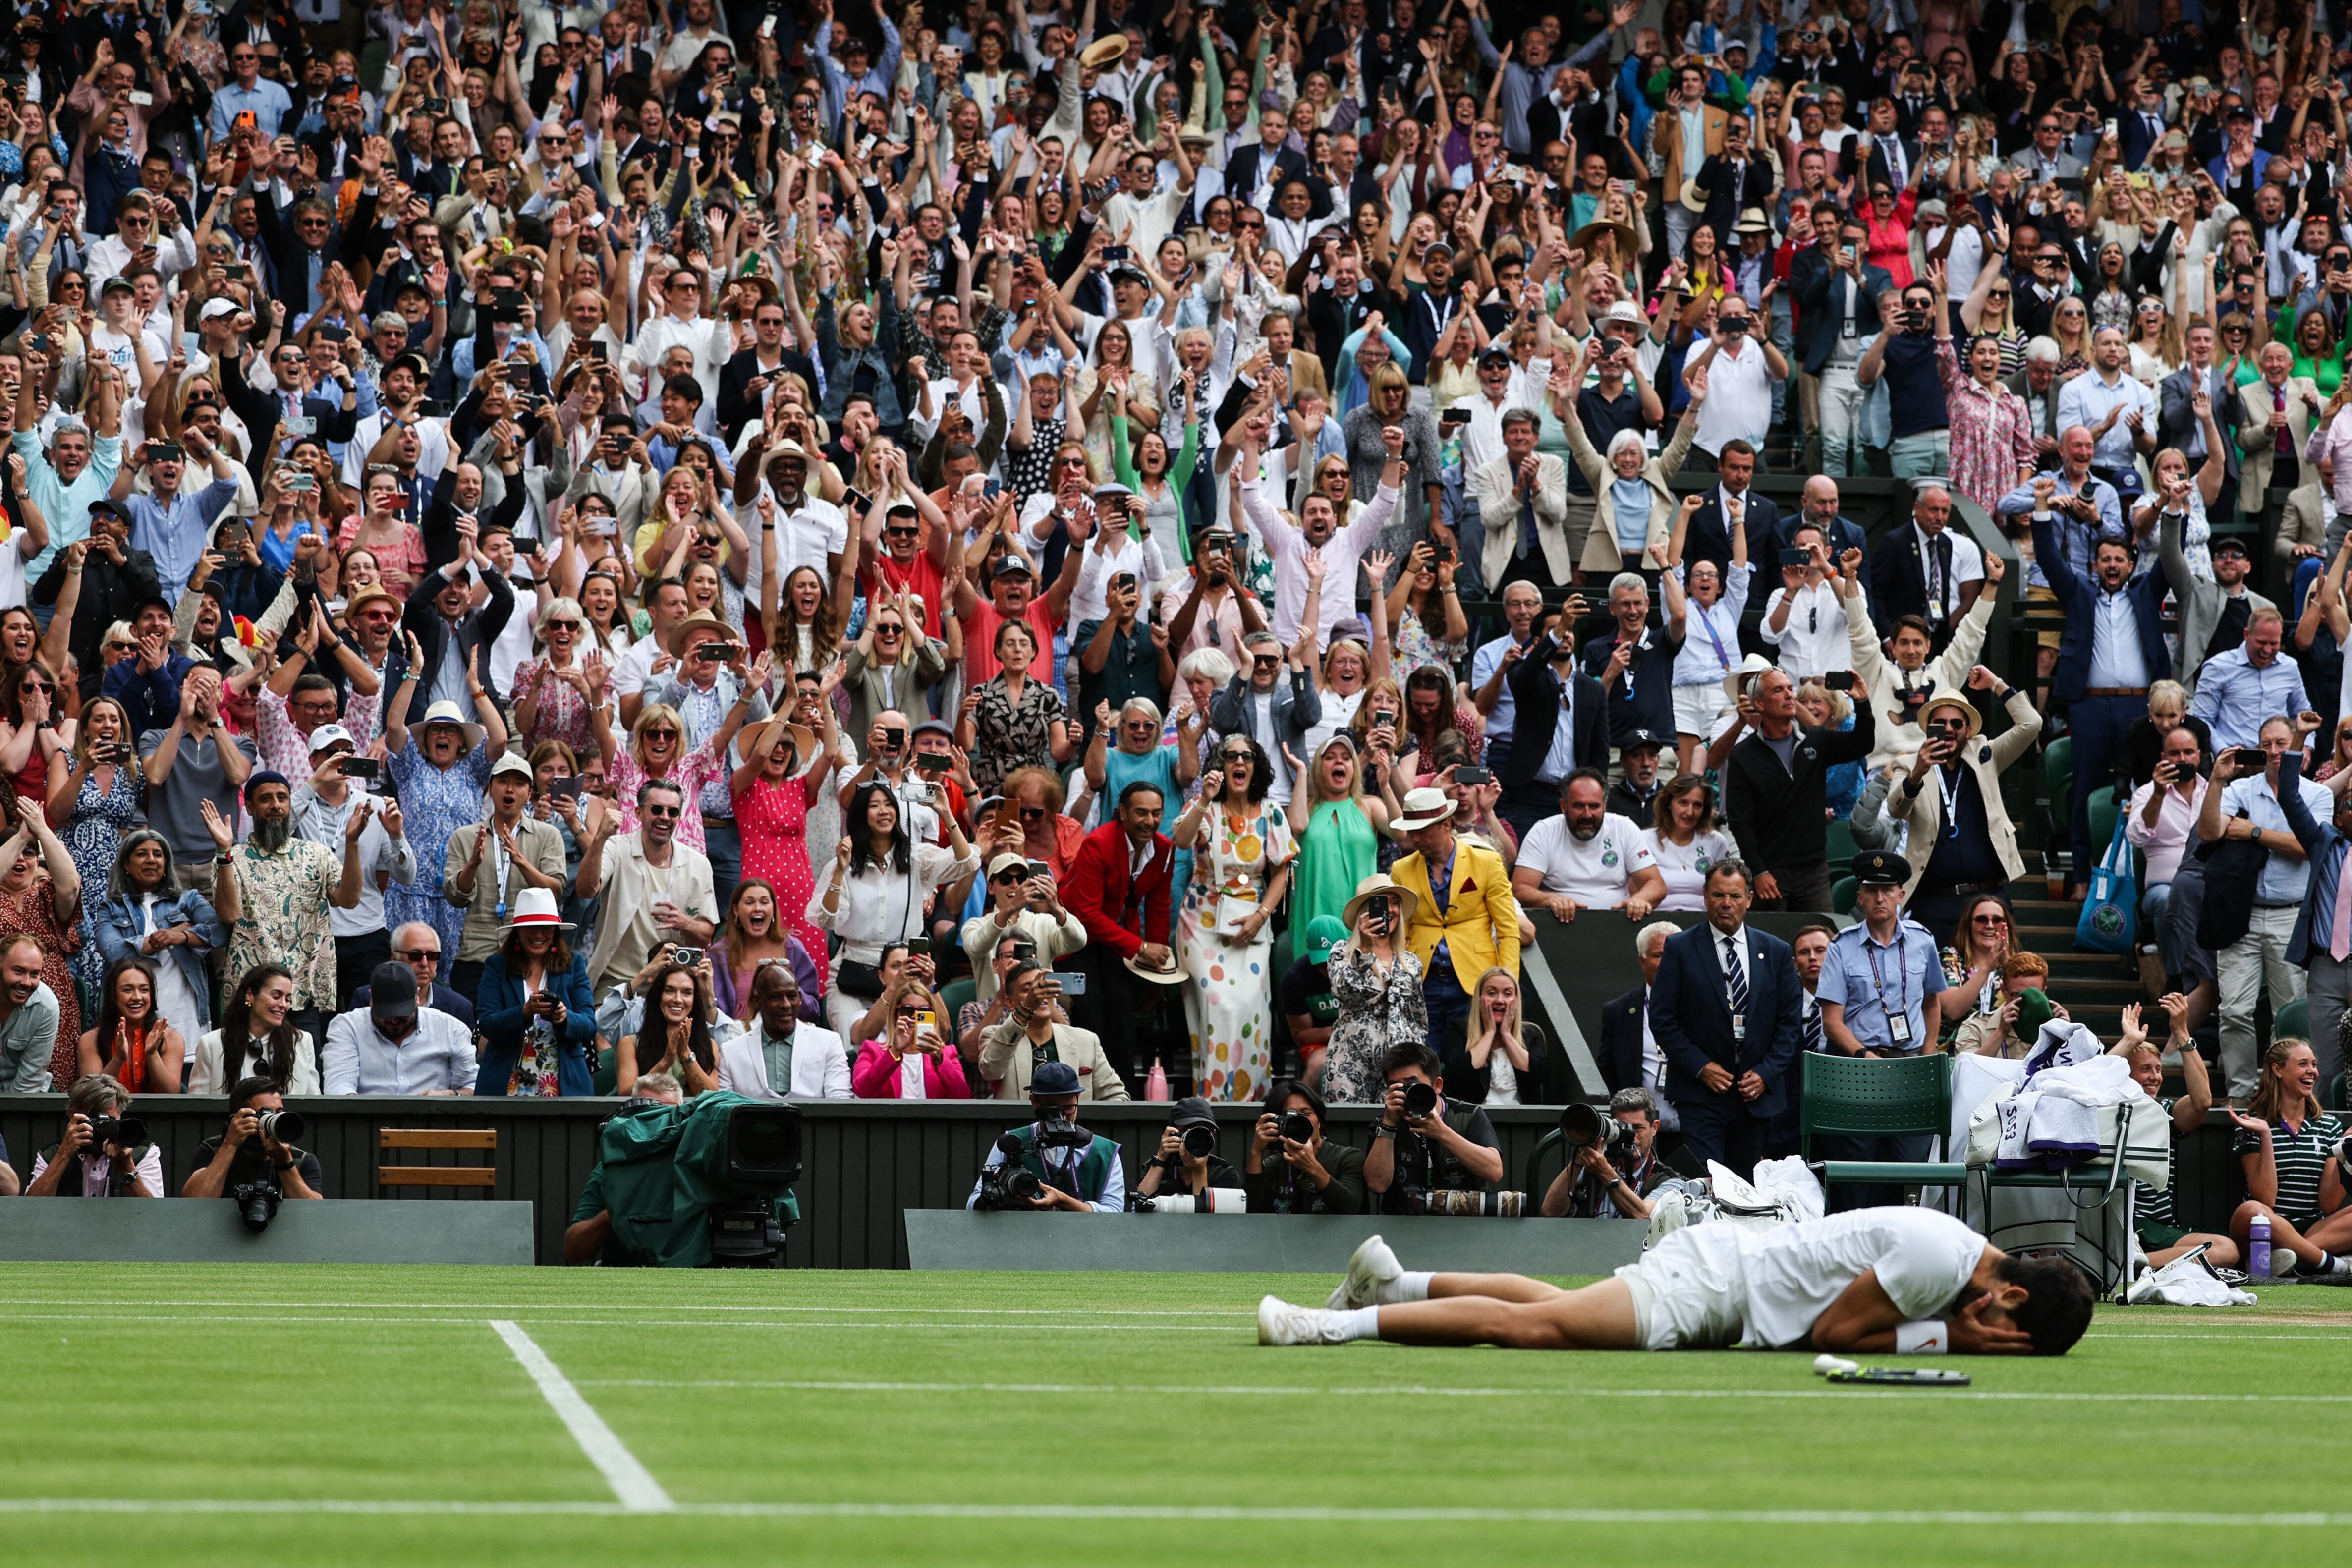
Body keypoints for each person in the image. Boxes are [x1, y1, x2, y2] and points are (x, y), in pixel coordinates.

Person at [1255, 1208, 2096, 1355]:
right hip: (1716, 1286)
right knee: (1533, 1329)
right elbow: (1834, 1337)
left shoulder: (1958, 1255)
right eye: (2013, 1334)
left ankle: (1394, 1282)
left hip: (1722, 1270)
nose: (2001, 1340)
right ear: (2010, 1295)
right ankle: (1322, 1326)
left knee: (1555, 1307)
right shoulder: (1934, 1263)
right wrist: (1956, 1334)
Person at [2031, 503, 2171, 895]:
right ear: (2095, 566)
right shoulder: (2078, 592)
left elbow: (2169, 559)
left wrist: (2174, 507)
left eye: (2119, 559)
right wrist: (2042, 509)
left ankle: (2144, 879)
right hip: (2090, 705)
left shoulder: (2147, 591)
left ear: (2131, 564)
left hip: (2140, 706)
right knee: (2084, 790)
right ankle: (2080, 877)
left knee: (2148, 789)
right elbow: (2047, 557)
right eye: (2105, 559)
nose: (2112, 565)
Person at [2201, 721, 2332, 1100]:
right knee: (2235, 1011)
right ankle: (2240, 1094)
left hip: (2291, 915)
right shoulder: (2240, 788)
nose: (2274, 751)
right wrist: (2216, 782)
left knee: (2288, 1014)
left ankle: (2281, 1097)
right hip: (2239, 914)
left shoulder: (2316, 794)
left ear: (2299, 751)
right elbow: (2210, 832)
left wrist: (2254, 832)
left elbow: (2310, 847)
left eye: (2281, 743)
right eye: (2266, 744)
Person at [1650, 861, 1805, 1178]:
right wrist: (1701, 1067)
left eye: (1735, 896)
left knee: (1746, 1187)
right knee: (1708, 1184)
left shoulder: (1775, 951)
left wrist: (1766, 1073)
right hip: (1701, 1094)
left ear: (1749, 899)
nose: (1726, 904)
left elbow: (1790, 1024)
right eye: (1718, 895)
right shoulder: (1680, 948)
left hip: (1756, 1095)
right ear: (1705, 897)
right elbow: (1663, 1019)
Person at [1172, 736, 1293, 1102]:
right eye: (1231, 757)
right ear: (1221, 765)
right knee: (1216, 1006)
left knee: (1249, 1009)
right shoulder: (1204, 806)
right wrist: (1206, 798)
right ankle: (1209, 1104)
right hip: (1202, 923)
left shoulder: (1271, 813)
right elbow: (1180, 840)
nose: (1239, 762)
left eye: (1248, 756)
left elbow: (1280, 872)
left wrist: (1261, 916)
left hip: (1252, 922)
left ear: (1256, 766)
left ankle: (1250, 1103)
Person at [809, 778, 978, 1040]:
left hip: (904, 970)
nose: (884, 811)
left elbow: (966, 863)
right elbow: (826, 918)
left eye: (889, 804)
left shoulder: (916, 858)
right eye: (875, 805)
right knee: (855, 1048)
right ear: (862, 815)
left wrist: (945, 812)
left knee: (912, 1044)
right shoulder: (844, 863)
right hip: (853, 974)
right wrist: (840, 872)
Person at [1885, 677, 2041, 938]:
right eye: (1940, 723)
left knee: (1995, 973)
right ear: (1928, 729)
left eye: (1956, 723)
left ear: (1968, 730)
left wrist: (1996, 684)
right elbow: (1896, 809)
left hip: (1987, 897)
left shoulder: (1986, 756)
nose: (1948, 729)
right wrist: (1918, 774)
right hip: (1934, 901)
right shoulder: (1910, 764)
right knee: (1936, 978)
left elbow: (2031, 724)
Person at [1722, 667, 1877, 911]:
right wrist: (1759, 871)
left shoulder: (1816, 739)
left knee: (1822, 943)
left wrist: (1863, 702)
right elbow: (1740, 821)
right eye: (1778, 690)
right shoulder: (1743, 756)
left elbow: (1863, 743)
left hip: (1814, 872)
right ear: (1759, 704)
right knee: (1772, 947)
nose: (1789, 696)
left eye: (1789, 689)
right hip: (1770, 874)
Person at [289, 726, 417, 1010]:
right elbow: (273, 836)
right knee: (315, 1023)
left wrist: (398, 836)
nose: (340, 759)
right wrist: (312, 785)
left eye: (347, 752)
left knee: (368, 1018)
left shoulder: (374, 805)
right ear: (313, 759)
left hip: (366, 933)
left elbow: (407, 877)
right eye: (331, 753)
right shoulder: (298, 803)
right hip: (313, 933)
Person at [1390, 786, 1520, 1059]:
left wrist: (1508, 987)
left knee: (1471, 1061)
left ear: (1446, 824)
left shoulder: (1486, 862)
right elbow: (1401, 932)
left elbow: (1508, 930)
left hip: (1474, 982)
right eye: (1412, 832)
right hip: (1424, 981)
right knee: (1424, 1059)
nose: (1416, 839)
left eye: (1423, 831)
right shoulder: (1401, 869)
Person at [2117, 997, 2238, 1270]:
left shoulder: (2164, 1113)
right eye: (2145, 1070)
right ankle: (2127, 1260)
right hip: (2116, 1223)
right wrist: (2128, 1043)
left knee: (2226, 1249)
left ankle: (2136, 1264)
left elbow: (2202, 1102)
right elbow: (2092, 1078)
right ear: (2126, 1075)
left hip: (2158, 1228)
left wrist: (2182, 1033)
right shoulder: (2107, 1110)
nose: (2155, 1077)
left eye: (2158, 1070)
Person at [442, 752, 571, 1000]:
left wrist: (522, 863)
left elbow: (556, 891)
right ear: (490, 788)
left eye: (519, 784)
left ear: (530, 793)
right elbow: (454, 897)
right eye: (503, 782)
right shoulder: (466, 836)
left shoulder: (548, 835)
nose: (509, 790)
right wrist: (472, 866)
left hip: (527, 953)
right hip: (477, 951)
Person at [578, 779, 720, 999]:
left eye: (673, 812)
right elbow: (586, 890)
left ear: (679, 818)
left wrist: (685, 923)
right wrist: (600, 838)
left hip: (673, 981)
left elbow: (705, 937)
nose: (665, 817)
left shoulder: (698, 864)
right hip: (618, 979)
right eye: (656, 809)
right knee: (600, 1031)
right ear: (638, 813)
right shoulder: (617, 848)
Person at [2226, 1036, 2352, 1279]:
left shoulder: (2328, 1126)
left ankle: (2298, 1261)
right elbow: (2266, 1198)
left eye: (2314, 1065)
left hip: (2314, 1230)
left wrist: (2343, 1151)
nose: (2312, 1072)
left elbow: (2329, 1204)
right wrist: (2265, 1135)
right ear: (2278, 1070)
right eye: (2303, 1064)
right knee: (2252, 1210)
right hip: (2267, 1229)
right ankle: (2330, 1266)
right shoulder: (2252, 1123)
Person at [1497, 601, 1610, 844]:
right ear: (1539, 642)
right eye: (1558, 630)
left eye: (1570, 630)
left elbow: (1600, 750)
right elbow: (1527, 674)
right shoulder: (1522, 672)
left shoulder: (1593, 689)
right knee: (1525, 865)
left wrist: (1598, 793)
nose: (1566, 634)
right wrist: (1559, 630)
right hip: (1530, 795)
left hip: (1576, 799)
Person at [474, 888, 600, 1098]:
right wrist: (524, 1011)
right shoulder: (497, 966)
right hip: (506, 1082)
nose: (539, 934)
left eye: (546, 928)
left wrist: (564, 1018)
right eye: (531, 928)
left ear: (555, 931)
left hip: (562, 1083)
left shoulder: (574, 964)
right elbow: (487, 1024)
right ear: (518, 932)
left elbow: (589, 1025)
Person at [964, 1059, 1128, 1213]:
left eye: (1069, 1108)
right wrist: (993, 1197)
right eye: (1052, 1110)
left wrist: (1062, 1201)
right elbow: (973, 1204)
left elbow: (1114, 1213)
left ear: (1078, 1098)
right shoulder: (1012, 1143)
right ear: (1034, 1102)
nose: (1062, 1118)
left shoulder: (1104, 1152)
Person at [1363, 1041, 1505, 1215]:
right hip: (1405, 1224)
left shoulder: (1467, 1115)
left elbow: (1495, 1172)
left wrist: (1441, 1132)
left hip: (1464, 1222)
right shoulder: (1385, 1124)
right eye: (1397, 1087)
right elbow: (1377, 1185)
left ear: (1437, 1085)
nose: (1405, 1093)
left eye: (1412, 1085)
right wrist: (1388, 1125)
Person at [1512, 769, 1666, 926]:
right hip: (1558, 925)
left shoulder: (1624, 827)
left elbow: (1656, 884)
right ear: (1564, 806)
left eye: (1594, 806)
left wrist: (1639, 901)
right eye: (1579, 806)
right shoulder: (1544, 831)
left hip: (1617, 925)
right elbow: (1520, 888)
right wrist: (1550, 899)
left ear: (1605, 806)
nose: (1587, 815)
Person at [2127, 725, 2211, 986]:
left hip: (2206, 884)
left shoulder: (2216, 793)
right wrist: (2159, 795)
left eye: (2188, 752)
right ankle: (2175, 977)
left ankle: (2210, 980)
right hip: (2161, 887)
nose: (2182, 759)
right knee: (2169, 899)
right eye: (2174, 754)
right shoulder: (2146, 793)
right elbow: (2136, 837)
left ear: (2199, 756)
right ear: (2163, 758)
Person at [975, 965, 1132, 1103]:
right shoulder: (995, 1035)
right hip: (1020, 1133)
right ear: (1009, 1002)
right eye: (1028, 990)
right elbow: (991, 1070)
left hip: (1076, 1133)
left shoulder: (1086, 1040)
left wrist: (1088, 1131)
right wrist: (1025, 1010)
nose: (1038, 995)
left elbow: (1117, 1097)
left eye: (1043, 987)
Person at [321, 961, 477, 1096]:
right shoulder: (347, 1027)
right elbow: (339, 1087)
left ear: (417, 996)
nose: (394, 1020)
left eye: (403, 1013)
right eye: (386, 1013)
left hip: (432, 1123)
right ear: (371, 998)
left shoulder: (452, 1030)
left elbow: (473, 1086)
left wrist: (450, 1095)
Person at [716, 960, 854, 1100]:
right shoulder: (731, 1052)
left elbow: (840, 1100)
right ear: (758, 1001)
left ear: (800, 998)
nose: (786, 1004)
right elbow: (725, 1106)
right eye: (775, 997)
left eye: (792, 996)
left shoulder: (829, 1043)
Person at [180, 1077, 324, 1201]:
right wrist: (230, 1144)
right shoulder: (212, 1151)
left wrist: (285, 1163)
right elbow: (195, 1201)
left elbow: (313, 1213)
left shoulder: (301, 1160)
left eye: (279, 1113)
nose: (275, 1119)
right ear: (238, 1119)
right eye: (265, 1113)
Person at [190, 964, 322, 1096]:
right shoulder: (212, 1044)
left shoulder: (302, 1042)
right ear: (250, 995)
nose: (284, 1005)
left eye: (288, 999)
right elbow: (198, 1109)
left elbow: (313, 1104)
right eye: (276, 996)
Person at [25, 1073, 161, 1198]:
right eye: (95, 1120)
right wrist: (65, 1154)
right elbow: (31, 1210)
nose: (102, 1127)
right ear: (73, 1115)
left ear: (120, 1116)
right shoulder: (52, 1155)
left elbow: (153, 1215)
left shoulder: (143, 1153)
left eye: (110, 1121)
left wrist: (126, 1167)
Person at [1540, 1087, 1668, 1219]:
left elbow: (1643, 1216)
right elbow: (1550, 1211)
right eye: (1623, 1128)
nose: (1632, 1137)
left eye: (1638, 1128)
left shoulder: (1668, 1180)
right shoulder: (1593, 1164)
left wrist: (1604, 1172)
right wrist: (1580, 1157)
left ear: (1655, 1128)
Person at [1244, 1079, 1366, 1214]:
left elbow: (1351, 1208)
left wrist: (1312, 1166)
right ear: (1278, 1125)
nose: (1300, 1121)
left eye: (1306, 1113)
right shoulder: (1275, 1165)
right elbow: (1250, 1212)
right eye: (1291, 1116)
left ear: (1319, 1121)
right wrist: (1256, 1152)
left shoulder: (1346, 1158)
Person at [75, 956, 183, 1095]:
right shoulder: (90, 1040)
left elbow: (172, 1094)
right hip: (108, 1116)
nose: (137, 997)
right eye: (128, 990)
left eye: (144, 990)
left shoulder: (172, 1038)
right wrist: (119, 1058)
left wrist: (152, 1055)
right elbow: (92, 1096)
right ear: (113, 996)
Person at [1444, 966, 1549, 1107]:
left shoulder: (1532, 1034)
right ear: (1479, 998)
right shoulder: (1458, 1030)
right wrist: (1490, 1033)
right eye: (1492, 993)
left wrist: (1506, 1034)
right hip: (1473, 1123)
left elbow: (1537, 1077)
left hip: (1521, 1123)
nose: (1500, 1000)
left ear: (1516, 1000)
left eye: (1507, 994)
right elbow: (1460, 1074)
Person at [852, 981, 970, 1100]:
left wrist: (940, 1060)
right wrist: (894, 1053)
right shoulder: (872, 1050)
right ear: (895, 1015)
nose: (915, 1016)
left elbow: (963, 1097)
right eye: (908, 1010)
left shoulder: (947, 1054)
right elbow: (862, 1091)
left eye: (924, 1011)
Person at [1134, 1097, 1246, 1205]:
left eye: (1202, 1132)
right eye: (1187, 1130)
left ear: (1212, 1134)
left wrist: (1199, 1171)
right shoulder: (1157, 1166)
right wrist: (1161, 1158)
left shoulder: (1223, 1173)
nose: (1195, 1138)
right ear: (1171, 1132)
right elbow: (1139, 1205)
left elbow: (1203, 1222)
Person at [1280, 914, 1349, 1088]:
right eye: (1322, 964)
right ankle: (1303, 1111)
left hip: (1366, 1039)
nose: (1329, 969)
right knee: (1319, 1064)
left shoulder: (1364, 968)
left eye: (1334, 960)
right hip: (1323, 1044)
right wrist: (1334, 1032)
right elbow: (1301, 1035)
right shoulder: (1296, 979)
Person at [0, 934, 62, 1091]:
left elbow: (30, 1079)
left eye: (35, 974)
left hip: (21, 1096)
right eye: (19, 972)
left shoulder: (46, 1007)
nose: (27, 983)